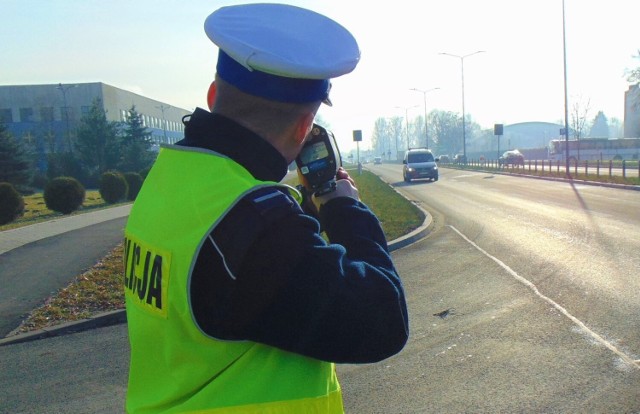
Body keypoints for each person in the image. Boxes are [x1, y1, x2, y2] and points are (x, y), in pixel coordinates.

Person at [123, 3, 408, 413]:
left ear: (213, 93)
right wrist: (346, 211)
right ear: (303, 128)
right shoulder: (256, 220)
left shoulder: (170, 178)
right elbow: (381, 322)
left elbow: (246, 296)